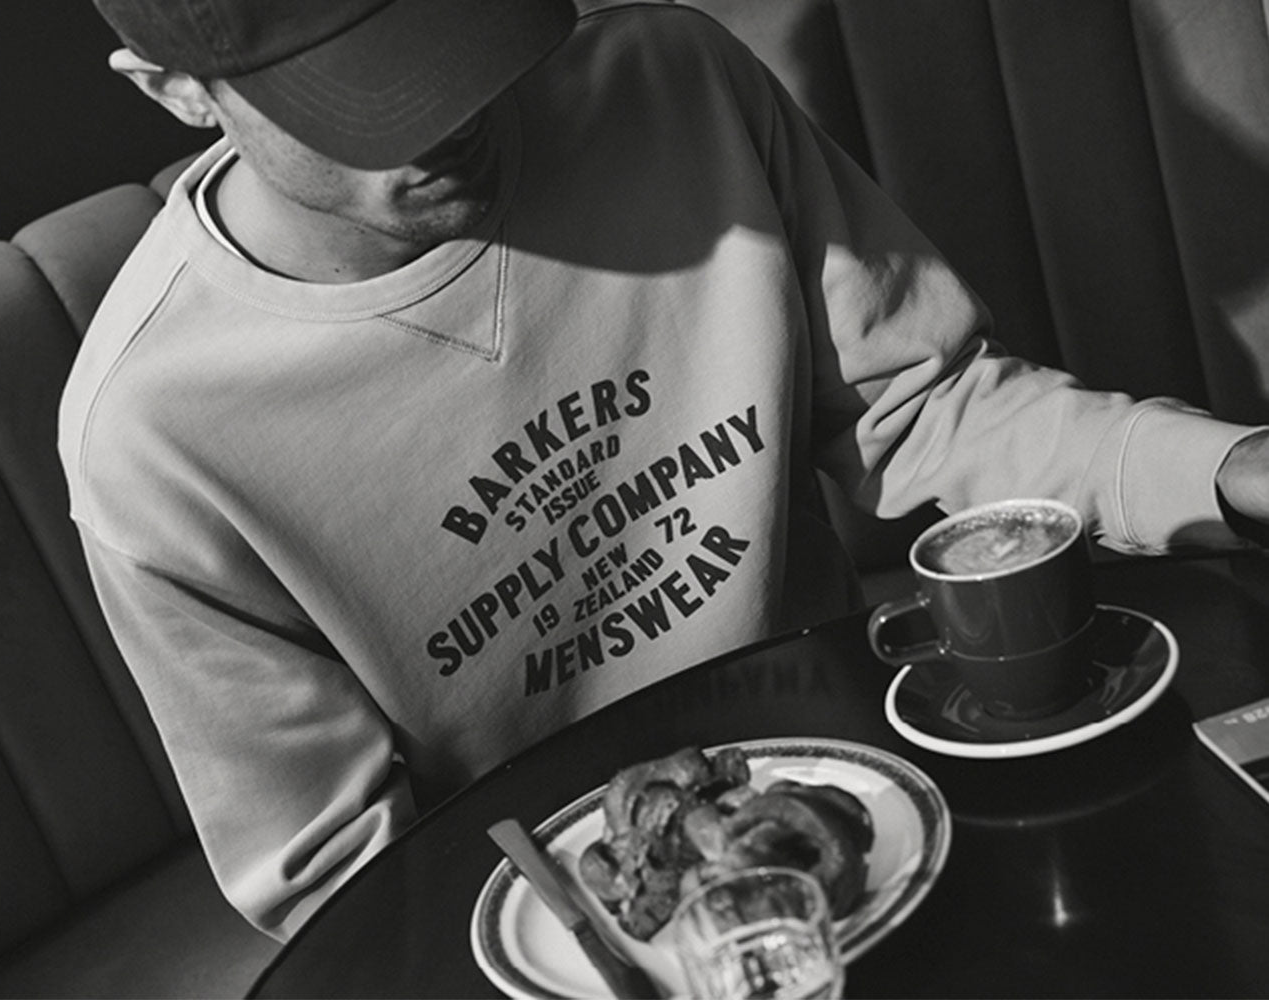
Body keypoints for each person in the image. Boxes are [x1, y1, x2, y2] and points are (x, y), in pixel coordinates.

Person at [61, 0, 1269, 940]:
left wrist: (1232, 469)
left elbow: (929, 406)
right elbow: (347, 876)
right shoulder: (154, 432)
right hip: (571, 934)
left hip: (881, 802)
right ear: (174, 91)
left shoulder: (671, 83)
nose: (446, 117)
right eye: (357, 97)